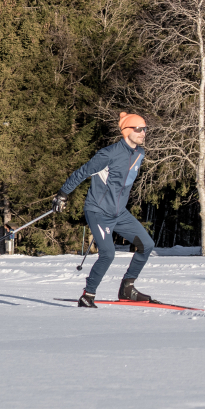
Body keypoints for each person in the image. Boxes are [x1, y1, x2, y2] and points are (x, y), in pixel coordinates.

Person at [56, 113, 157, 307]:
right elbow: (82, 172)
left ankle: (127, 288)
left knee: (146, 245)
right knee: (108, 254)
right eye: (138, 129)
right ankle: (88, 295)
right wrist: (63, 194)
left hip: (119, 213)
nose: (143, 133)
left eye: (144, 129)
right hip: (98, 212)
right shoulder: (108, 154)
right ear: (126, 131)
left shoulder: (139, 154)